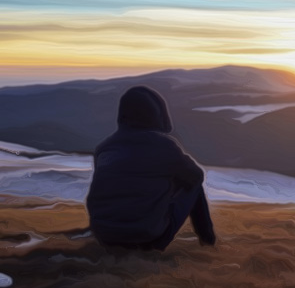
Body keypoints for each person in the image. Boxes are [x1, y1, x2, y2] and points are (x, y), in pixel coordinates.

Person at [86, 86, 215, 250]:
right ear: (156, 113)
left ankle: (115, 230)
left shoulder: (105, 148)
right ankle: (208, 242)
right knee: (194, 184)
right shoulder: (164, 146)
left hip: (104, 237)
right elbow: (196, 175)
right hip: (147, 239)